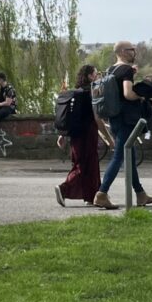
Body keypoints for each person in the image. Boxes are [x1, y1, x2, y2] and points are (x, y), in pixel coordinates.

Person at [94, 41, 152, 209]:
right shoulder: (126, 70)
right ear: (122, 51)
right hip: (127, 119)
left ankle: (140, 194)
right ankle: (102, 194)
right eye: (131, 50)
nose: (134, 52)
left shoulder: (110, 69)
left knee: (130, 156)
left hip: (114, 118)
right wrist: (141, 96)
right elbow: (128, 94)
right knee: (120, 156)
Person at [54, 64, 110, 207]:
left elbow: (70, 117)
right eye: (96, 74)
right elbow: (97, 119)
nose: (97, 76)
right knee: (86, 165)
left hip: (75, 134)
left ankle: (91, 197)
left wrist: (62, 135)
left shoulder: (76, 93)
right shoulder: (92, 92)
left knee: (85, 164)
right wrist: (109, 138)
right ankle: (64, 188)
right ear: (90, 76)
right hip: (88, 133)